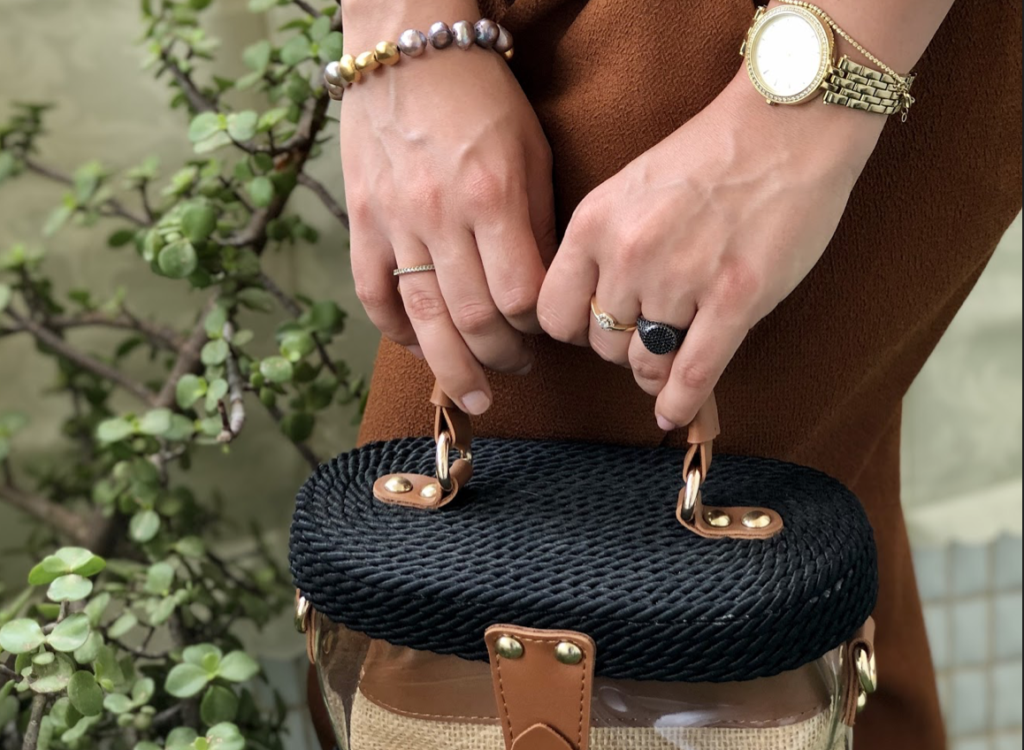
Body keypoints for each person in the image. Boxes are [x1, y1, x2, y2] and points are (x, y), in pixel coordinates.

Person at [309, 0, 1022, 747]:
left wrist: (800, 111)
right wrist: (400, 35)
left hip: (752, 46)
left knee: (432, 650)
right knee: (796, 609)